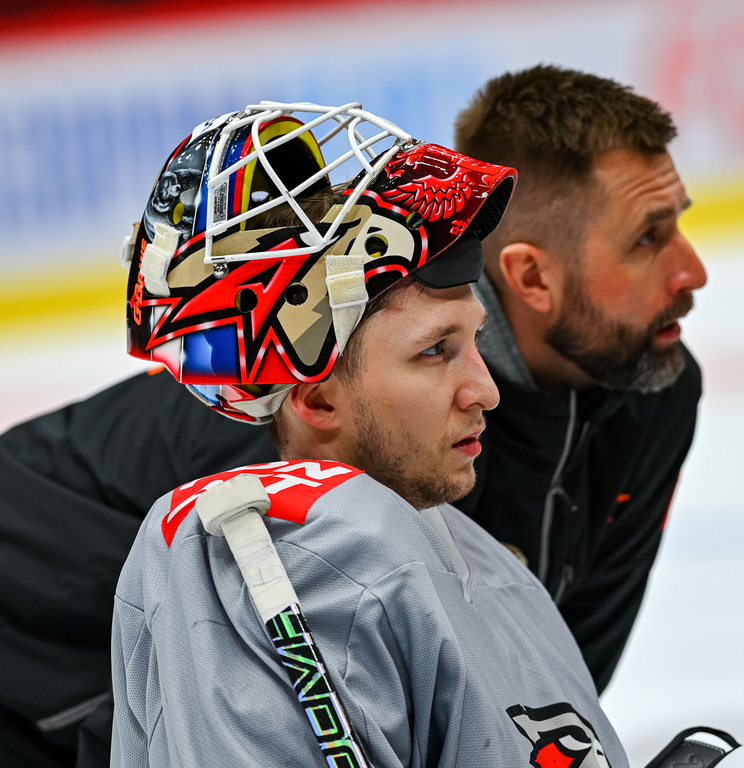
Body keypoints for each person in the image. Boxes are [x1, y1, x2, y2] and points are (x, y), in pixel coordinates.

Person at [111, 101, 744, 768]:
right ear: (315, 398)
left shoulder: (474, 557)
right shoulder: (272, 556)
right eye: (434, 353)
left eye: (472, 340)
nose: (484, 389)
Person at [0, 66, 703, 767]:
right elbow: (197, 724)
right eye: (646, 237)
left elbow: (541, 682)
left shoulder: (642, 395)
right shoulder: (279, 453)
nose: (692, 271)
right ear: (530, 276)